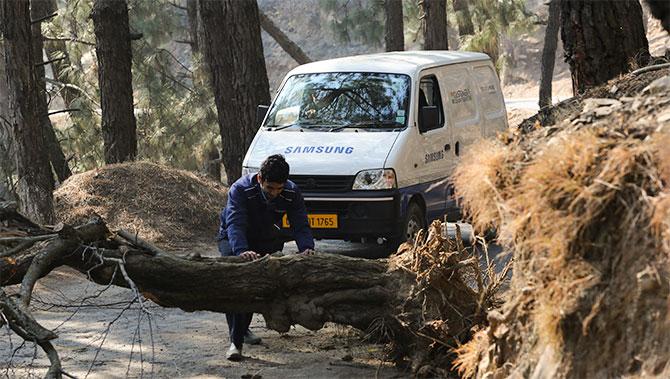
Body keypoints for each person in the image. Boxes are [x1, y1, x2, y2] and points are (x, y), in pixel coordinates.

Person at [217, 154, 315, 361]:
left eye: (279, 189)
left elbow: (300, 223)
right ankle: (235, 342)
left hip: (265, 237)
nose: (275, 194)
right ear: (260, 179)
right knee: (238, 285)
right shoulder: (240, 189)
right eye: (270, 188)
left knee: (258, 286)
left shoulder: (291, 192)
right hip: (233, 238)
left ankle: (243, 329)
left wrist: (306, 248)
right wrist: (241, 250)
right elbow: (235, 223)